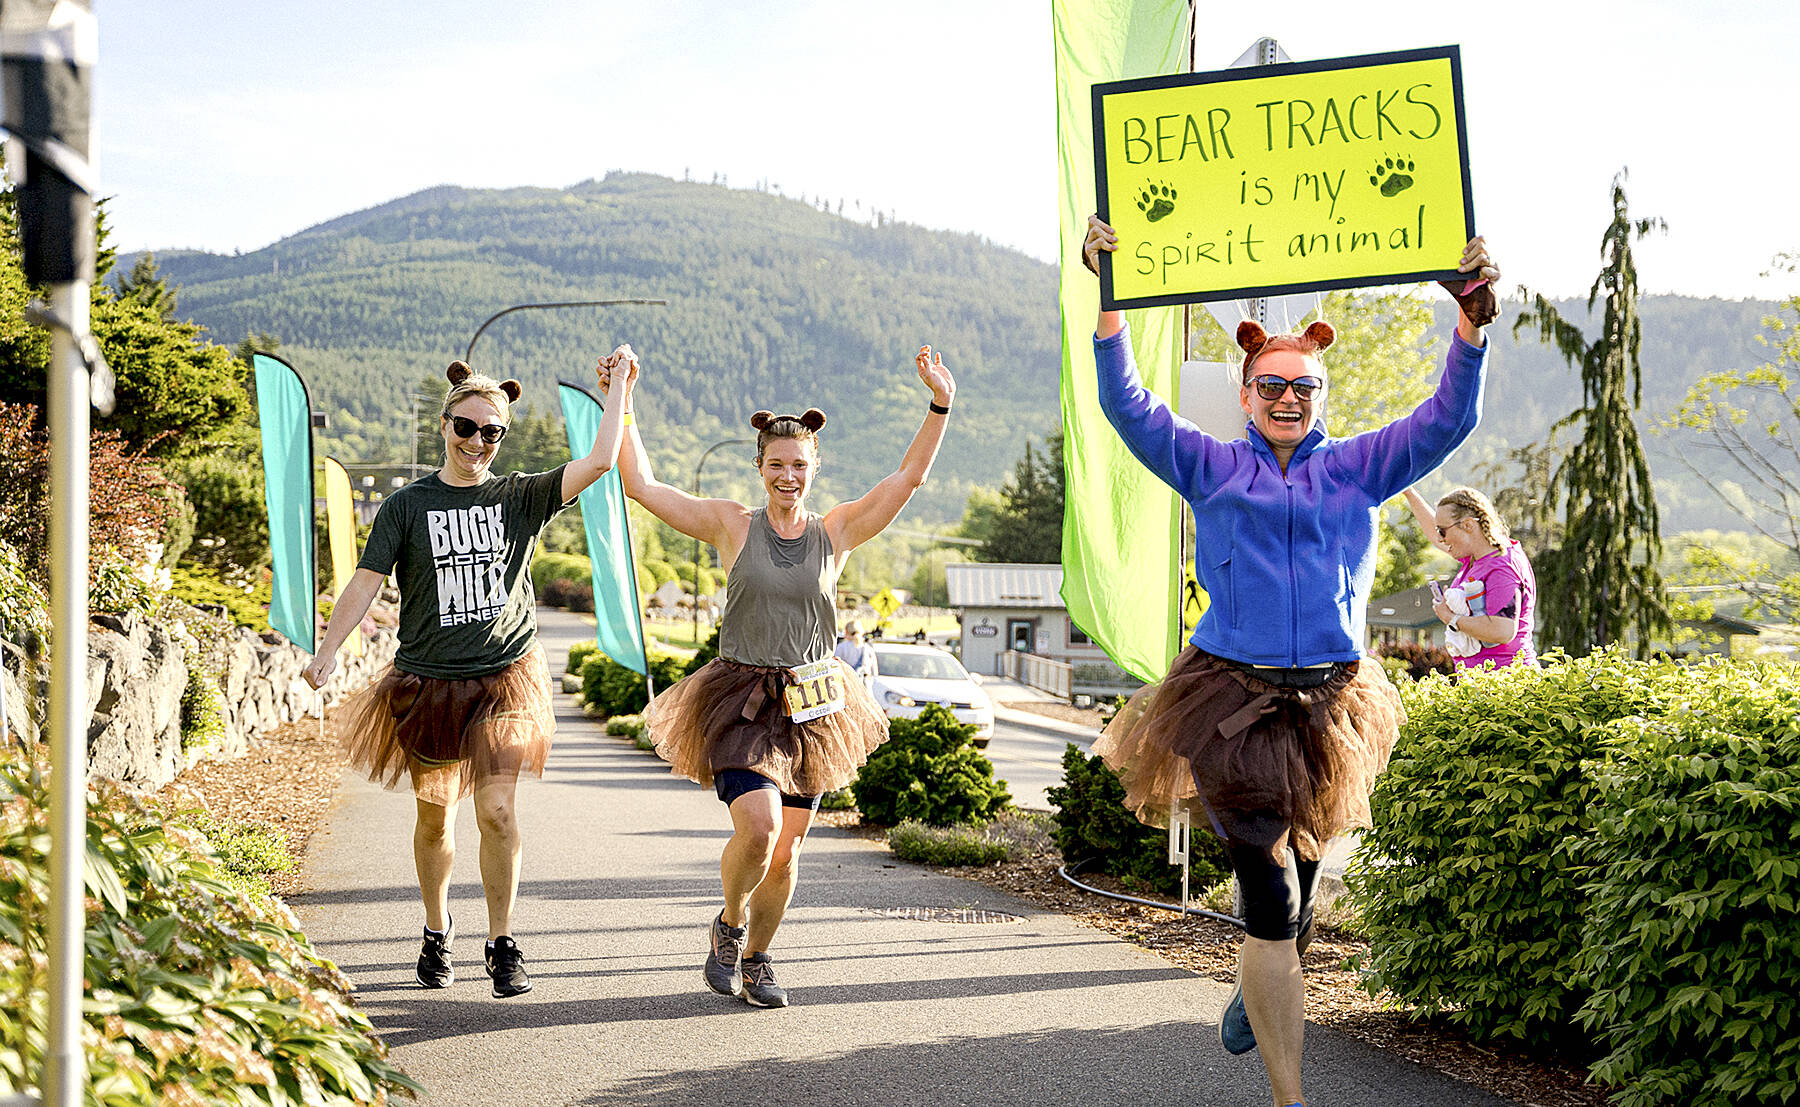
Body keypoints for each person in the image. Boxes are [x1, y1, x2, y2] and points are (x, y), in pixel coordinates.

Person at [1080, 213, 1499, 1107]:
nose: (1287, 399)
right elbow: (1128, 407)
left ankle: (1258, 979)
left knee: (1299, 903)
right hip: (1229, 702)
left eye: (1303, 386)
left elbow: (1448, 417)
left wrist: (1469, 327)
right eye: (1271, 384)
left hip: (1329, 708)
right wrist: (1111, 299)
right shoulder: (1210, 467)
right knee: (1268, 899)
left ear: (1320, 391)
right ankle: (1289, 1096)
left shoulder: (1357, 468)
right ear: (1245, 390)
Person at [605, 343, 955, 1008]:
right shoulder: (731, 524)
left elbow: (907, 478)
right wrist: (622, 399)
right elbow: (641, 485)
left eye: (798, 464)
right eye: (776, 464)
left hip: (813, 703)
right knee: (760, 827)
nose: (787, 474)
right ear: (760, 467)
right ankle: (729, 925)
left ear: (812, 468)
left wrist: (941, 402)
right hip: (740, 698)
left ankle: (760, 958)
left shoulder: (838, 531)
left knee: (788, 852)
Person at [300, 351, 637, 998]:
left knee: (500, 811)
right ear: (445, 425)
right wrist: (329, 647)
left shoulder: (520, 496)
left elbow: (598, 462)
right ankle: (437, 928)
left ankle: (502, 941)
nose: (477, 441)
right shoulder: (407, 506)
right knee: (435, 818)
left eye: (492, 432)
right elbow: (366, 581)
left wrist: (619, 386)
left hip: (506, 677)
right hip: (429, 682)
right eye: (467, 427)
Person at [1403, 486, 1538, 671]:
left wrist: (1451, 618)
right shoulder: (1476, 557)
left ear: (1467, 525)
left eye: (1443, 531)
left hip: (1506, 687)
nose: (1441, 539)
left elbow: (1502, 630)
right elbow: (1435, 537)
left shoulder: (1503, 566)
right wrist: (1408, 492)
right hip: (1484, 687)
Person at [833, 619, 879, 688]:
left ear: (847, 632)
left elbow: (834, 667)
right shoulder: (868, 648)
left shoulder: (841, 647)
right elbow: (875, 672)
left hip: (847, 685)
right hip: (864, 686)